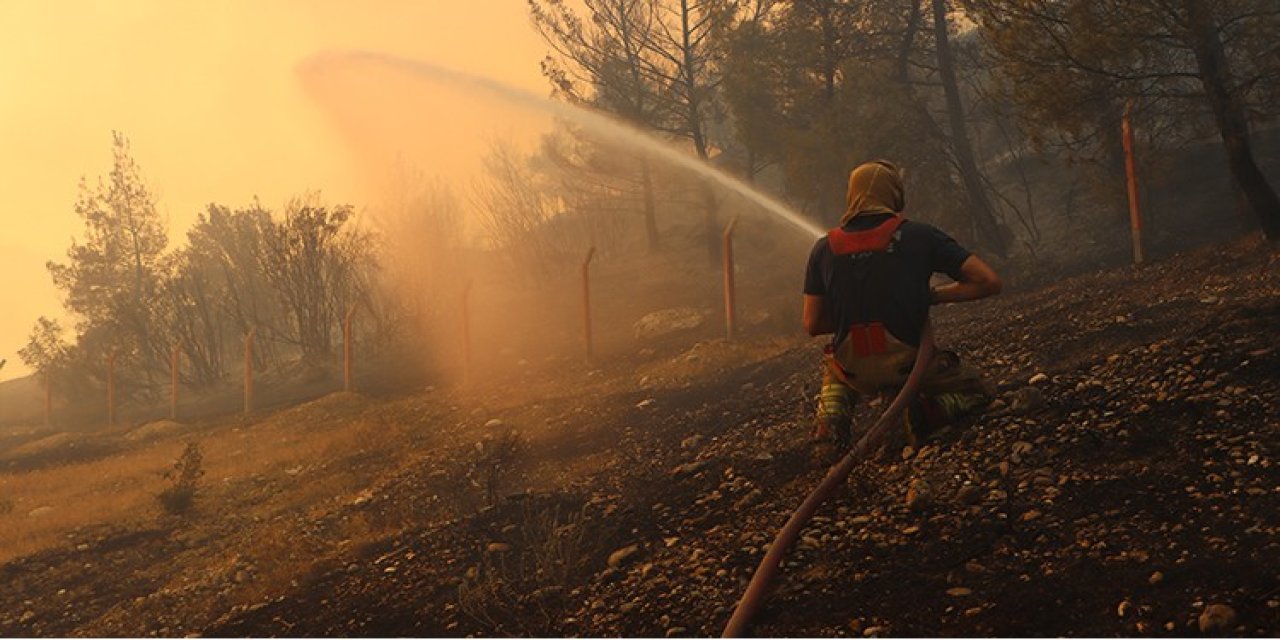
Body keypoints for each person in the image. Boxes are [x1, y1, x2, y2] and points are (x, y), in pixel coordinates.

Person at [802, 160, 1002, 451]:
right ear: (893, 193)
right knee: (980, 389)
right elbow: (988, 281)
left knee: (835, 369)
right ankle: (923, 415)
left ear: (852, 194)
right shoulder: (920, 236)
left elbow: (812, 324)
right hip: (908, 364)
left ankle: (829, 427)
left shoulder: (823, 248)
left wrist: (856, 315)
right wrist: (932, 296)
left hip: (854, 367)